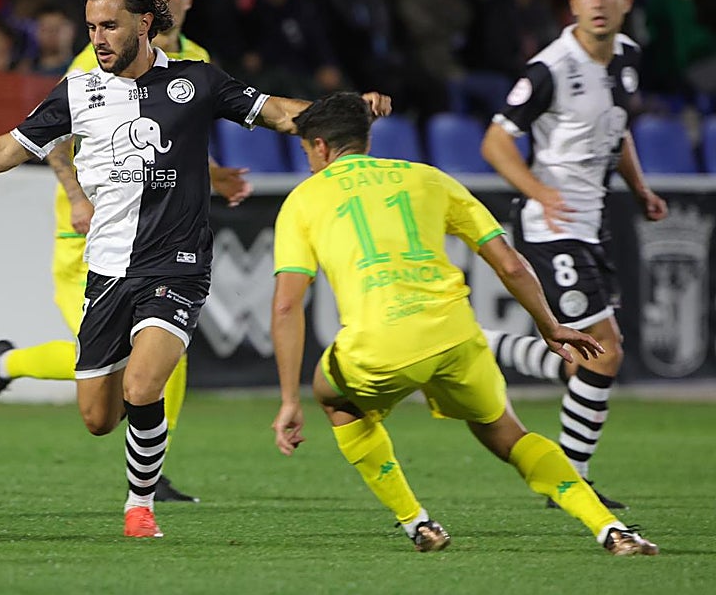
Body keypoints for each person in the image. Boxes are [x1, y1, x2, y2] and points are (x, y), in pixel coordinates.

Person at [0, 0, 392, 538]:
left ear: (145, 24)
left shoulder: (196, 81)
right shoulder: (77, 90)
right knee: (98, 417)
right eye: (92, 26)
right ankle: (24, 373)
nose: (97, 38)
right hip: (106, 267)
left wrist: (350, 111)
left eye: (110, 26)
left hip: (177, 263)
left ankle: (139, 506)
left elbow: (279, 113)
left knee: (145, 386)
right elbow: (5, 150)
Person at [270, 92, 659, 557]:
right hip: (457, 336)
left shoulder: (303, 200)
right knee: (509, 435)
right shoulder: (429, 178)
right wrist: (550, 325)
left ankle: (416, 521)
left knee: (333, 397)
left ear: (319, 146)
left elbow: (287, 307)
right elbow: (511, 265)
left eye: (307, 153)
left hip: (379, 344)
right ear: (363, 139)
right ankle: (610, 529)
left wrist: (289, 399)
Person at [0, 0, 249, 505]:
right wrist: (76, 198)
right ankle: (5, 363)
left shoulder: (196, 61)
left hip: (159, 246)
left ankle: (151, 472)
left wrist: (210, 175)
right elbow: (55, 137)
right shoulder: (96, 57)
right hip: (89, 234)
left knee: (163, 353)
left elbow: (169, 136)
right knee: (96, 374)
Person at [480, 0, 668, 509]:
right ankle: (570, 483)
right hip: (551, 227)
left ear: (626, 0)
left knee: (587, 356)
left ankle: (479, 346)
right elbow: (494, 143)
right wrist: (541, 194)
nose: (598, 3)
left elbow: (618, 131)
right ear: (572, 4)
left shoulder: (627, 58)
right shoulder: (550, 68)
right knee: (603, 353)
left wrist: (640, 189)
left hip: (592, 226)